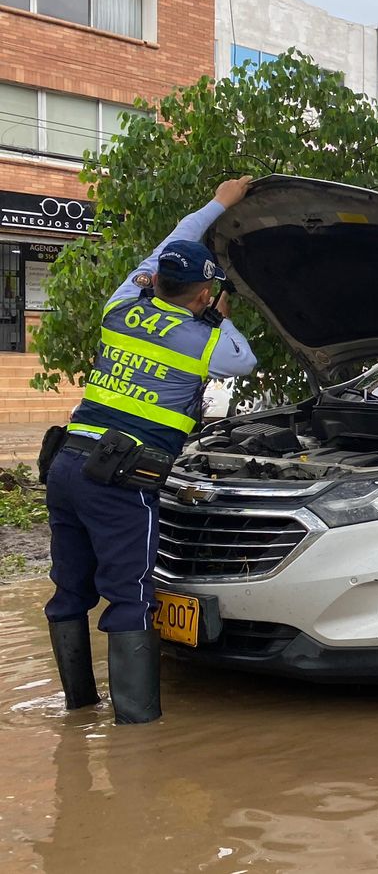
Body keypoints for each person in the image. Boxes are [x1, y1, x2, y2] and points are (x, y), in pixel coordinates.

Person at [43, 177, 259, 724]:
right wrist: (218, 317)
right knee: (130, 596)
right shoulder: (209, 340)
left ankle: (76, 710)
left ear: (155, 278)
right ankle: (137, 734)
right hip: (121, 481)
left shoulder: (121, 305)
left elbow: (170, 245)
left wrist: (217, 204)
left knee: (70, 590)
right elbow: (246, 361)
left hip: (67, 465)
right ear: (206, 295)